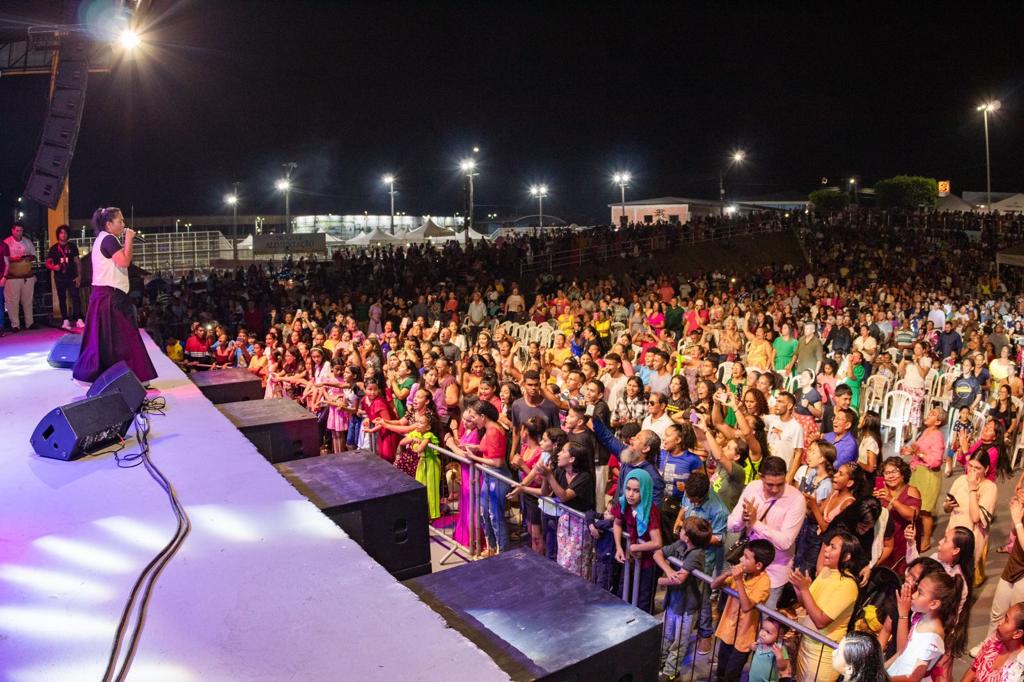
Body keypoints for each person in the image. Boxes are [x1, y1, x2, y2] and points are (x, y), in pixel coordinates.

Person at [73, 208, 157, 384]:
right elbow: (125, 261)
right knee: (125, 336)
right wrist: (128, 240)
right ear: (109, 224)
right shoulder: (109, 239)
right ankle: (136, 377)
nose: (123, 225)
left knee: (105, 339)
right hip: (110, 296)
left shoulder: (102, 239)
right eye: (120, 221)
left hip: (104, 295)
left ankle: (100, 376)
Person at [726, 455, 807, 608]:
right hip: (746, 569)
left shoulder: (796, 500)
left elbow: (785, 542)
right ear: (761, 477)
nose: (775, 489)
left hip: (774, 574)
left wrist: (756, 523)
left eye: (780, 484)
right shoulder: (752, 488)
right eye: (770, 484)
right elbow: (731, 525)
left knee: (765, 627)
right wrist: (744, 519)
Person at [791, 531, 862, 682]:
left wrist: (804, 589)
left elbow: (821, 621)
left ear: (846, 556)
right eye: (828, 545)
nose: (826, 550)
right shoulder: (825, 571)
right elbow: (808, 606)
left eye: (833, 547)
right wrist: (799, 590)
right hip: (806, 644)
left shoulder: (848, 585)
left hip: (822, 654)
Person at [654, 515, 712, 679]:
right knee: (667, 635)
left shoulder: (697, 554)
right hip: (673, 602)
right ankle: (661, 663)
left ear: (687, 536)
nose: (680, 529)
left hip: (687, 608)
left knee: (679, 642)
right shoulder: (679, 545)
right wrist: (669, 571)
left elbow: (680, 580)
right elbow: (657, 554)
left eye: (683, 529)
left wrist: (661, 580)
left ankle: (671, 671)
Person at [710, 539, 774, 682]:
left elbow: (746, 607)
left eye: (746, 557)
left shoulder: (764, 581)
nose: (740, 559)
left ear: (758, 565)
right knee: (721, 670)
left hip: (744, 638)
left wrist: (738, 580)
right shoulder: (741, 572)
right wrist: (727, 574)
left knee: (731, 675)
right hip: (728, 631)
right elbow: (713, 585)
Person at [886, 571, 958, 682]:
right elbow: (902, 651)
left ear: (933, 604)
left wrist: (883, 678)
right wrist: (883, 668)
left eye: (920, 593)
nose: (913, 596)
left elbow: (913, 679)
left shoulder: (931, 640)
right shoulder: (920, 616)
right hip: (896, 672)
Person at [611, 468, 663, 613]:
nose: (630, 494)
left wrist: (635, 547)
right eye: (628, 489)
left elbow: (657, 542)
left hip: (648, 563)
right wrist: (619, 548)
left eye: (636, 490)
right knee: (624, 592)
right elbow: (617, 523)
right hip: (631, 560)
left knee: (643, 601)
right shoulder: (623, 503)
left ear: (645, 491)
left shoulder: (650, 510)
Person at [964, 602, 1024, 682]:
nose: (999, 622)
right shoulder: (995, 639)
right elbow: (974, 668)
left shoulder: (1020, 668)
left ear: (1017, 633)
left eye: (1006, 620)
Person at [45, 224, 83, 330]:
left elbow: (78, 262)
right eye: (61, 232)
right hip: (59, 278)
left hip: (72, 277)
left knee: (76, 297)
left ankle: (78, 318)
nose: (63, 235)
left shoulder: (72, 246)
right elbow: (47, 263)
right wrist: (54, 267)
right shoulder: (53, 248)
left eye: (65, 232)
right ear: (58, 234)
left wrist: (79, 276)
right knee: (62, 298)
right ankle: (65, 320)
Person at [3, 221, 38, 331]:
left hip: (27, 276)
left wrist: (28, 258)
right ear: (12, 231)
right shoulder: (6, 243)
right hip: (12, 277)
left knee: (28, 301)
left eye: (21, 230)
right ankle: (15, 325)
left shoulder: (27, 242)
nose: (19, 233)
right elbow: (3, 260)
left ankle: (29, 323)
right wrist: (15, 259)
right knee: (12, 302)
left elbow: (34, 256)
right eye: (17, 230)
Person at [746, 618, 792, 682]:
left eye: (768, 632)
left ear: (779, 636)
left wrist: (779, 657)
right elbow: (751, 647)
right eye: (762, 628)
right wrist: (752, 647)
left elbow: (783, 667)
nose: (762, 633)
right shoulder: (760, 642)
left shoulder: (779, 648)